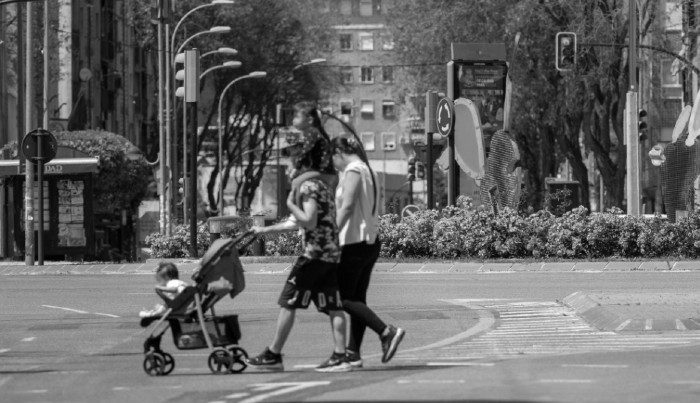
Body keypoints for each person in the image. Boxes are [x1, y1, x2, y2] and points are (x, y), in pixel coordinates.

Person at [246, 103, 351, 373]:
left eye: (294, 162)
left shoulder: (308, 186)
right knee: (333, 306)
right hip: (330, 254)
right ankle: (341, 355)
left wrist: (290, 203)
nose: (291, 167)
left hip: (314, 255)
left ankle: (274, 354)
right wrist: (265, 231)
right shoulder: (323, 186)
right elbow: (300, 223)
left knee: (288, 302)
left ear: (301, 164)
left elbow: (307, 220)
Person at [331, 136, 405, 368]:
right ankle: (354, 353)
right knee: (357, 299)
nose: (334, 164)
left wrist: (332, 235)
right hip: (370, 241)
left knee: (343, 299)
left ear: (339, 152)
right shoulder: (369, 171)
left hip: (354, 240)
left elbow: (348, 205)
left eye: (333, 158)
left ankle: (386, 331)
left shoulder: (353, 170)